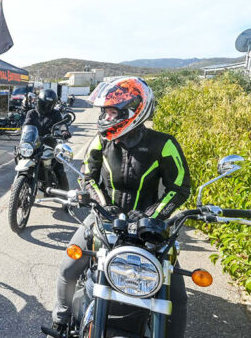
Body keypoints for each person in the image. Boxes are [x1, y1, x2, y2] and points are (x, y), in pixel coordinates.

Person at [49, 77, 191, 337]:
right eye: (104, 111)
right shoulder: (103, 141)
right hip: (105, 220)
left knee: (177, 296)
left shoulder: (163, 143)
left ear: (133, 111)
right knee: (69, 268)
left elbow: (180, 187)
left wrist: (152, 215)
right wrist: (103, 206)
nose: (105, 117)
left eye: (112, 111)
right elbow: (87, 176)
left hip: (149, 227)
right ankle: (61, 318)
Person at [23, 88, 72, 191]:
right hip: (34, 143)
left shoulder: (55, 113)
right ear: (39, 102)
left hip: (50, 143)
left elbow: (62, 123)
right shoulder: (31, 113)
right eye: (44, 104)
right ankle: (18, 193)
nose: (46, 107)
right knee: (22, 160)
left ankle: (67, 199)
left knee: (59, 169)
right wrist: (25, 133)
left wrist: (64, 131)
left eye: (49, 105)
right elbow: (27, 124)